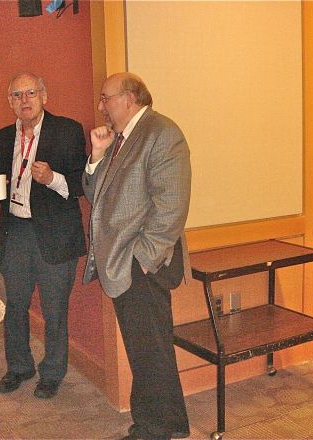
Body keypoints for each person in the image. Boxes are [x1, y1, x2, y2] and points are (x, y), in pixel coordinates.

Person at [83, 72, 191, 440]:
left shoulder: (161, 133)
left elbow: (171, 206)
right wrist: (96, 158)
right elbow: (96, 196)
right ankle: (171, 422)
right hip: (127, 261)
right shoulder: (121, 139)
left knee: (148, 350)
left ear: (129, 98)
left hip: (143, 264)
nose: (101, 106)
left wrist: (143, 259)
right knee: (150, 348)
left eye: (105, 98)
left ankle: (153, 428)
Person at [0, 72, 87, 399]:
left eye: (30, 93)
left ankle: (53, 372)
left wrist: (53, 178)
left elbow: (82, 184)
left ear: (44, 95)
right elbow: (1, 190)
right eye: (17, 95)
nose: (24, 100)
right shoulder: (0, 139)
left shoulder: (67, 131)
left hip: (55, 234)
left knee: (54, 309)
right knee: (13, 304)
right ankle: (19, 366)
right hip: (15, 231)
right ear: (9, 101)